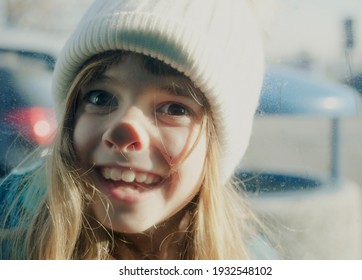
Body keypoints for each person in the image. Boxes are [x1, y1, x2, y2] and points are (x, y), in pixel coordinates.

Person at [0, 0, 278, 259]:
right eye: (100, 98)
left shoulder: (244, 256)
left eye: (175, 109)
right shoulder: (11, 225)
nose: (124, 131)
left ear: (219, 144)